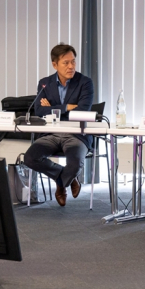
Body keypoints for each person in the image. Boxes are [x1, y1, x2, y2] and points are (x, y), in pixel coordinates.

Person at [23, 43, 94, 207]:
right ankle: (68, 179)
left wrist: (52, 108)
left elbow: (82, 111)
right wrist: (66, 107)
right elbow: (40, 111)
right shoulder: (45, 84)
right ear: (55, 64)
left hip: (76, 134)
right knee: (30, 158)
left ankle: (61, 184)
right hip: (50, 134)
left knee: (75, 163)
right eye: (66, 63)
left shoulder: (85, 83)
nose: (71, 66)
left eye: (73, 62)